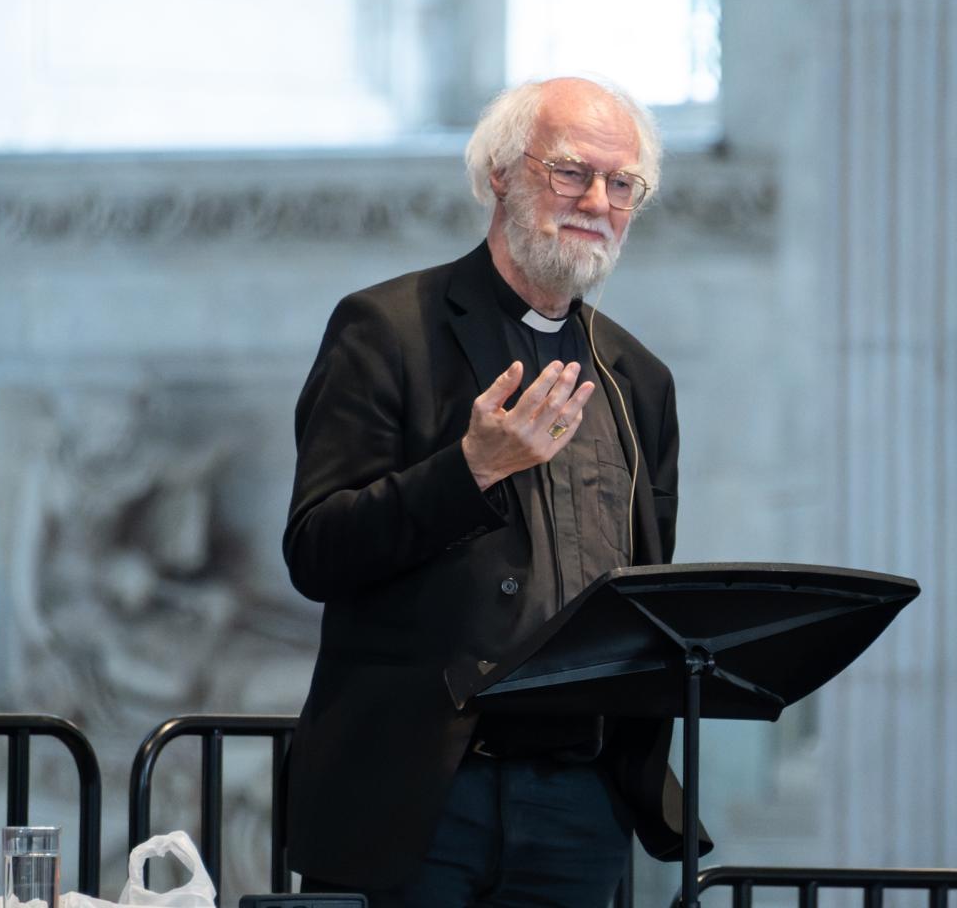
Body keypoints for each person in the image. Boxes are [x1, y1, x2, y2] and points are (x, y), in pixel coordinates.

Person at [282, 77, 707, 908]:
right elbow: (316, 550)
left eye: (623, 185)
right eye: (571, 172)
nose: (597, 201)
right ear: (501, 174)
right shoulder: (387, 329)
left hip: (581, 802)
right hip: (421, 797)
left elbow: (644, 589)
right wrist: (468, 470)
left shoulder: (638, 381)